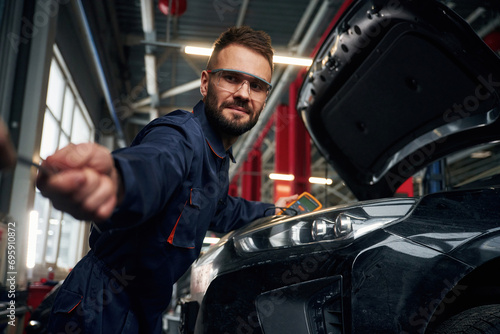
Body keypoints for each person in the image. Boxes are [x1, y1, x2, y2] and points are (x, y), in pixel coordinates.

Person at [37, 26, 297, 333]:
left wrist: (275, 211)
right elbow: (155, 165)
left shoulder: (217, 162)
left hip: (145, 312)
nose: (242, 93)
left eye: (256, 85)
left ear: (265, 99)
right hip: (98, 308)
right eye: (231, 77)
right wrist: (119, 181)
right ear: (205, 82)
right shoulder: (181, 136)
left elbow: (224, 209)